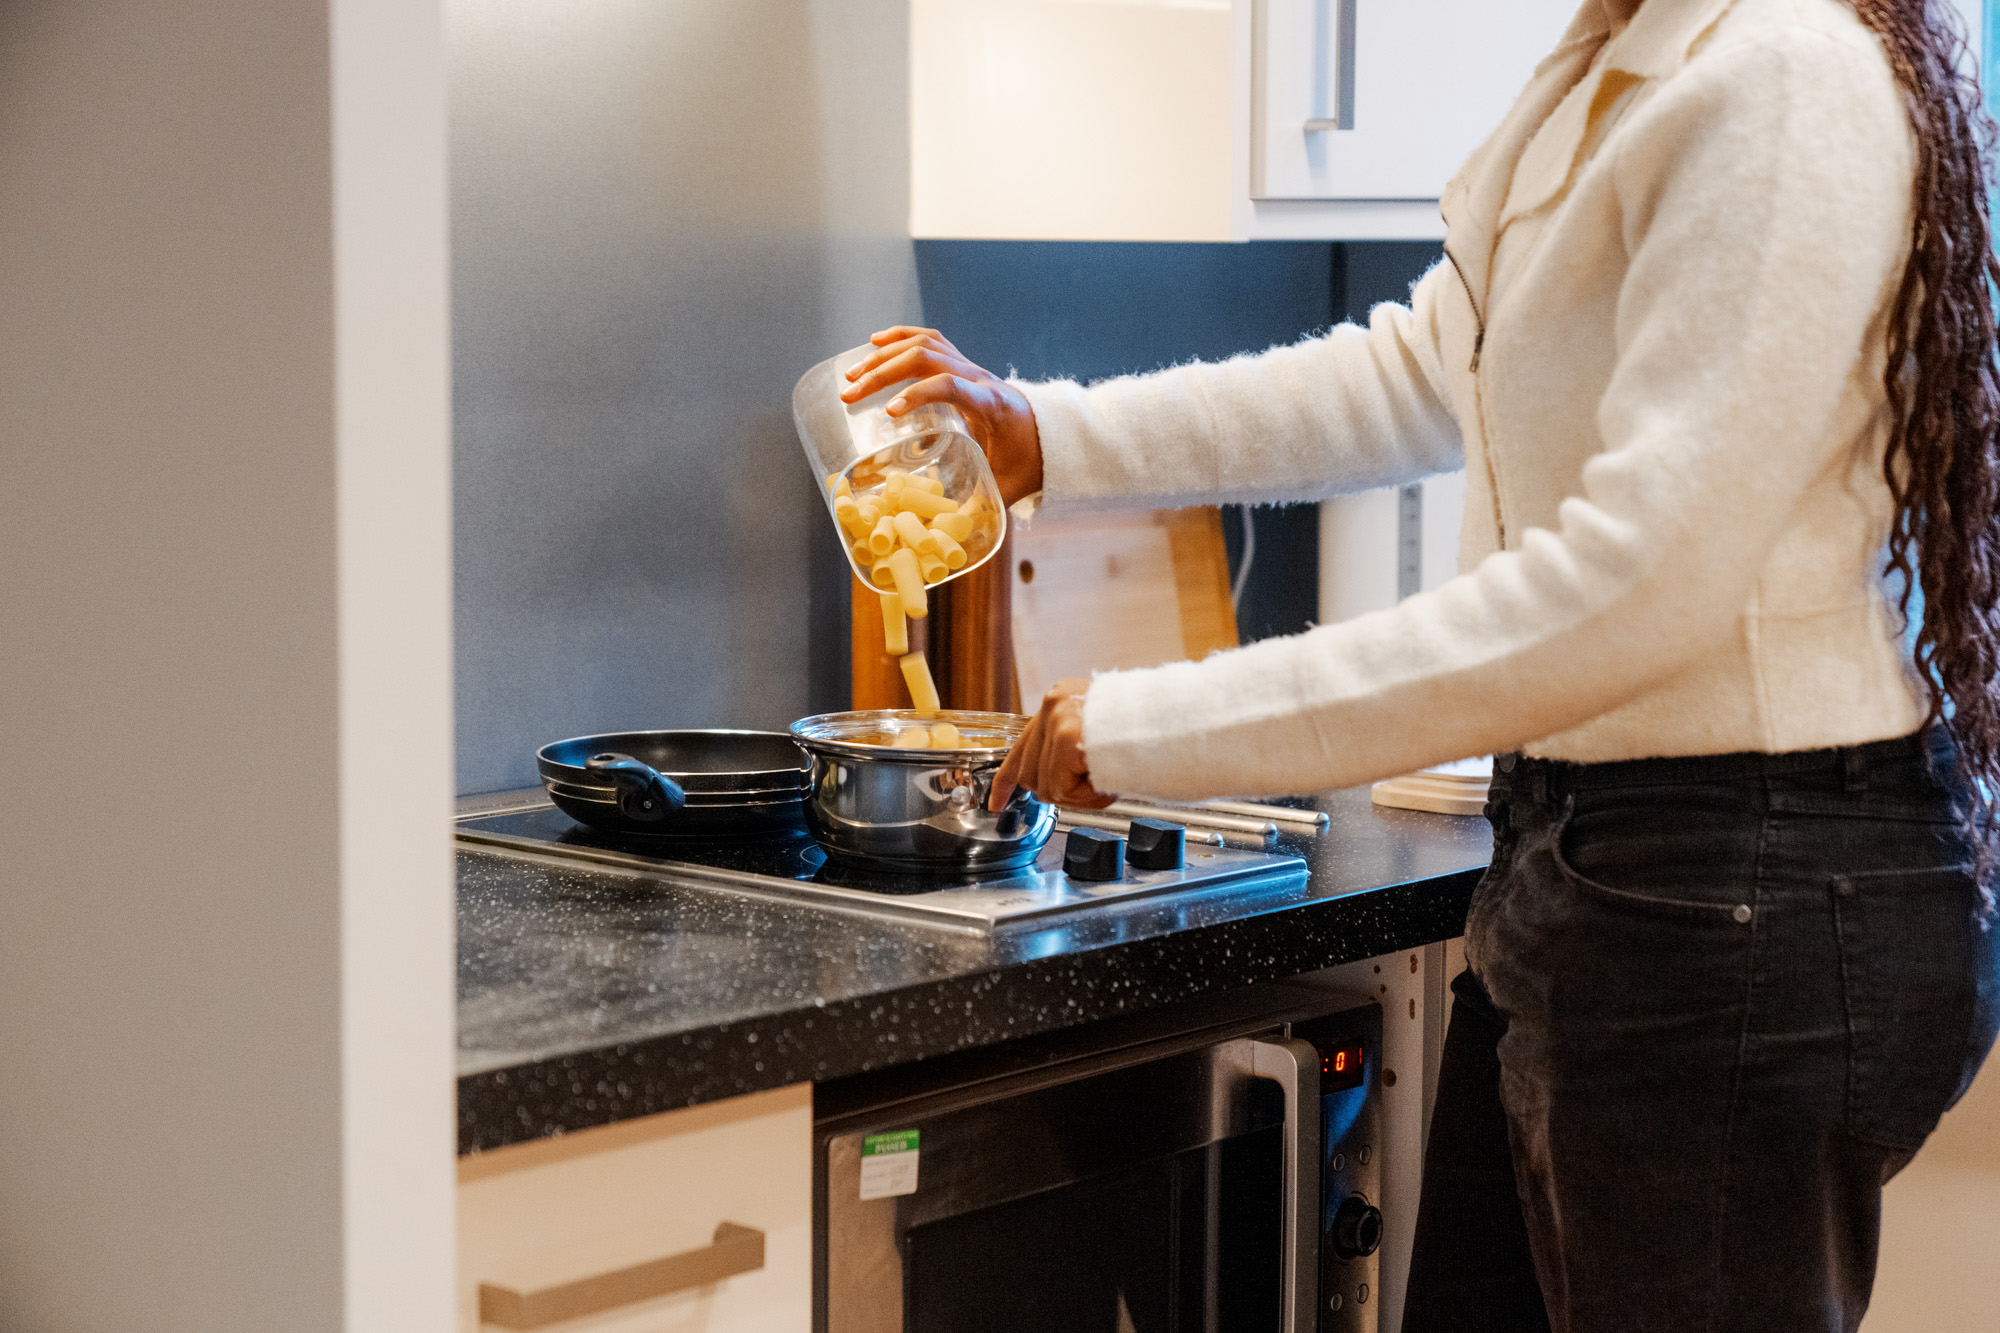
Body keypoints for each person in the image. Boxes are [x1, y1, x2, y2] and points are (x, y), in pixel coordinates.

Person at [840, 0, 2000, 1327]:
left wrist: (1152, 725)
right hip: (1601, 869)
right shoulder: (1616, 66)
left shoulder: (1779, 77)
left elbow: (1626, 592)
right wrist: (1047, 435)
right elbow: (1419, 367)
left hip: (1741, 887)